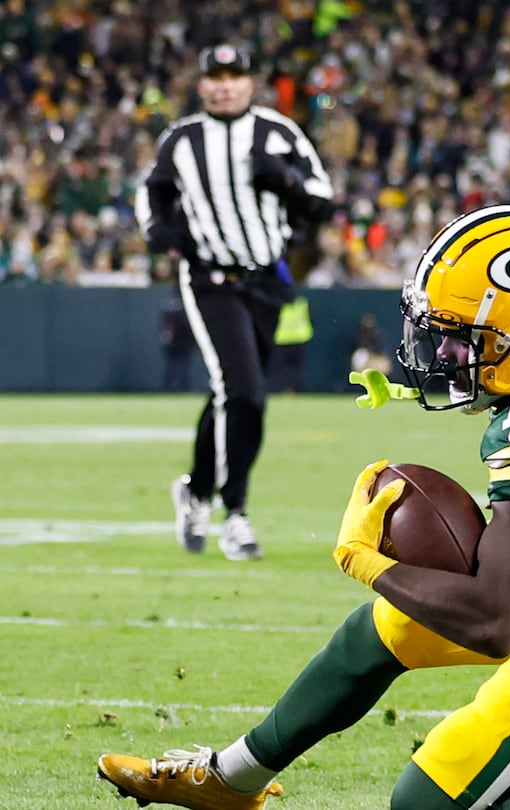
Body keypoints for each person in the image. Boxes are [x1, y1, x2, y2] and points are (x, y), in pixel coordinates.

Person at [97, 204, 510, 810]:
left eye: (466, 338)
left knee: (424, 800)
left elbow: (498, 621)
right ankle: (231, 781)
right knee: (373, 635)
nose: (443, 354)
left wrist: (365, 561)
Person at [140, 43, 335, 559]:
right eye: (216, 76)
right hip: (209, 279)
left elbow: (323, 200)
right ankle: (237, 514)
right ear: (201, 84)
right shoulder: (181, 140)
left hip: (267, 280)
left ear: (251, 82)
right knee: (245, 393)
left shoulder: (279, 132)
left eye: (235, 75)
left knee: (233, 393)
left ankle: (196, 490)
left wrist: (284, 179)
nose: (225, 85)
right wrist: (162, 232)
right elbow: (152, 195)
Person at [271, 292, 313, 393]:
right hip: (298, 339)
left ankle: (286, 389)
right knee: (295, 368)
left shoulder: (277, 301)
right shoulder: (301, 302)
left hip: (284, 339)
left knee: (284, 369)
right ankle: (292, 390)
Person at [159, 292, 195, 392]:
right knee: (176, 367)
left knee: (182, 367)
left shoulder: (181, 308)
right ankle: (171, 388)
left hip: (183, 342)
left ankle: (182, 388)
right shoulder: (174, 309)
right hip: (177, 343)